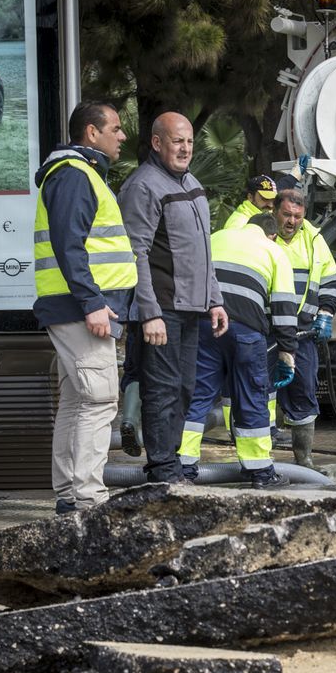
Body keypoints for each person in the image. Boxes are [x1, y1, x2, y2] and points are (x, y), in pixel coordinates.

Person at [33, 102, 135, 514]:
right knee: (99, 401)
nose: (122, 136)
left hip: (78, 307)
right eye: (115, 128)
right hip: (83, 309)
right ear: (91, 134)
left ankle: (71, 497)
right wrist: (93, 303)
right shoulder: (75, 175)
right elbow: (68, 245)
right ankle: (89, 499)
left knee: (79, 402)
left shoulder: (77, 174)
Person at [118, 112, 228, 484]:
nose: (185, 149)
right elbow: (136, 253)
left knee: (184, 387)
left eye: (190, 142)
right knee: (162, 390)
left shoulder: (192, 182)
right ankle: (162, 468)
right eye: (177, 141)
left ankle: (172, 462)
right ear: (156, 142)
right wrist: (148, 313)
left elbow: (204, 250)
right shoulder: (143, 186)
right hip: (161, 310)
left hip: (192, 308)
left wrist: (215, 299)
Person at [179, 214, 300, 489]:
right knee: (251, 397)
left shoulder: (216, 238)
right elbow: (283, 308)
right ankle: (260, 473)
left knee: (196, 396)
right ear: (271, 234)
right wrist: (286, 352)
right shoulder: (274, 251)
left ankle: (183, 469)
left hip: (202, 324)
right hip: (246, 331)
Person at [271, 187, 336, 468]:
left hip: (303, 333)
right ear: (274, 212)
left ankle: (304, 461)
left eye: (297, 216)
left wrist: (326, 313)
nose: (291, 222)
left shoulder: (314, 240)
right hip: (268, 331)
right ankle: (258, 459)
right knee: (261, 393)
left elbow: (330, 280)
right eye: (286, 215)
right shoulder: (263, 237)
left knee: (303, 393)